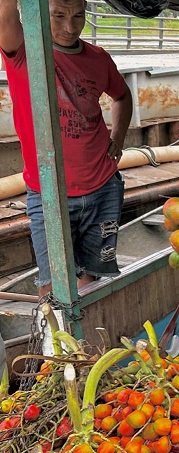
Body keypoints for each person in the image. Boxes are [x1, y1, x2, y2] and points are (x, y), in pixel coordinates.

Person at [0, 0, 133, 297]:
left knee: (94, 283)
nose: (69, 28)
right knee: (52, 288)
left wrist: (119, 138)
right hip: (49, 193)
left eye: (78, 16)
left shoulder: (98, 58)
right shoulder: (26, 51)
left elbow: (122, 96)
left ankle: (89, 344)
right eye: (58, 16)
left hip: (103, 186)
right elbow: (5, 19)